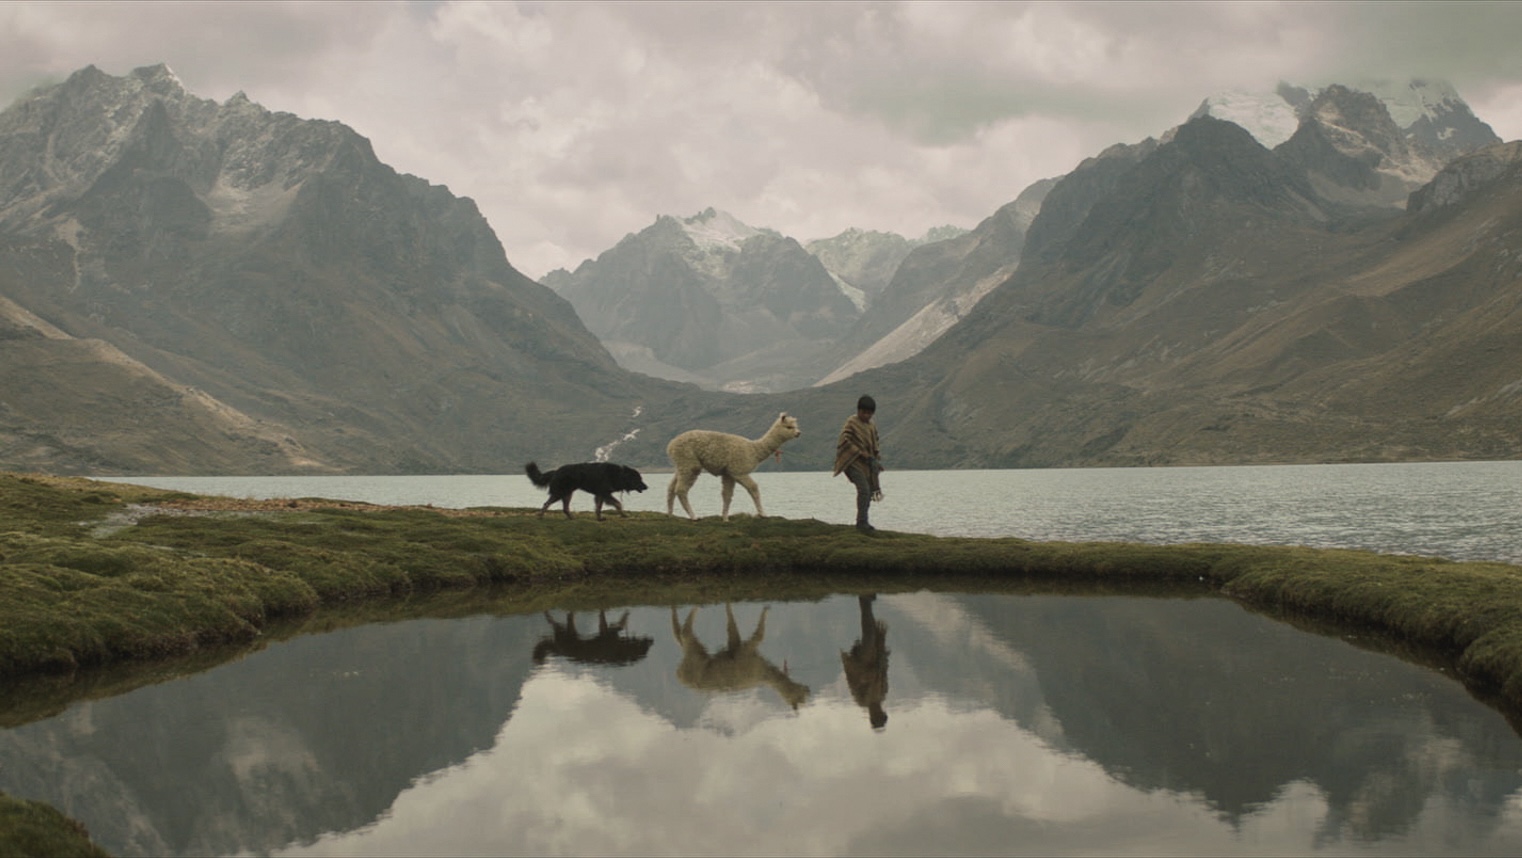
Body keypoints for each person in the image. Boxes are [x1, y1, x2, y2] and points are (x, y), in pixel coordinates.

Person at [834, 394, 883, 533]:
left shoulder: (871, 426)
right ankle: (861, 522)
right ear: (858, 410)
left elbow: (875, 443)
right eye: (864, 412)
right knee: (864, 490)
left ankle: (864, 521)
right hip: (851, 461)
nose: (866, 415)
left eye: (869, 413)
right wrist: (860, 453)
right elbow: (845, 440)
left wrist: (875, 459)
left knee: (867, 491)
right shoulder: (852, 422)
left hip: (866, 463)